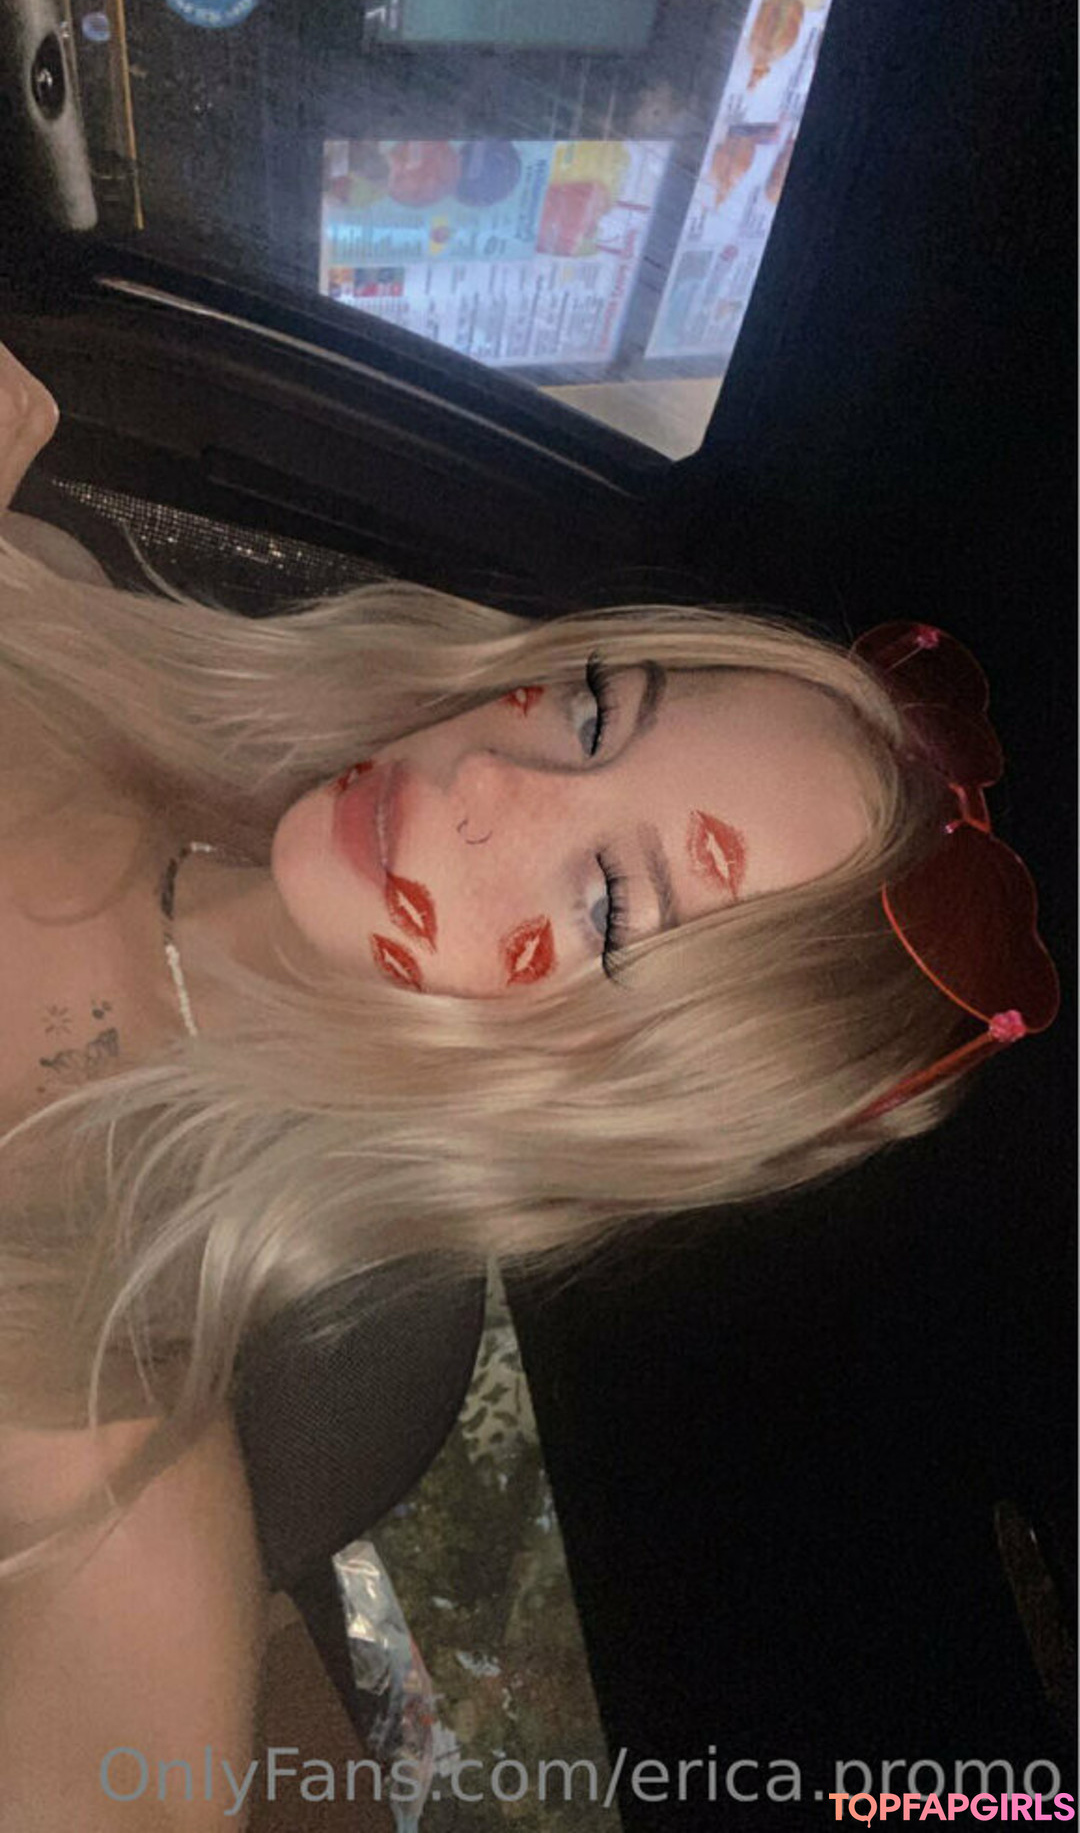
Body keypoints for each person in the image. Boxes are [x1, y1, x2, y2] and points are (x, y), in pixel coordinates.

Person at [0, 340, 1058, 1827]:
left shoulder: (111, 1403)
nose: (489, 784)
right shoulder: (64, 593)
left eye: (615, 906)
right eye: (593, 710)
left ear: (604, 1100)